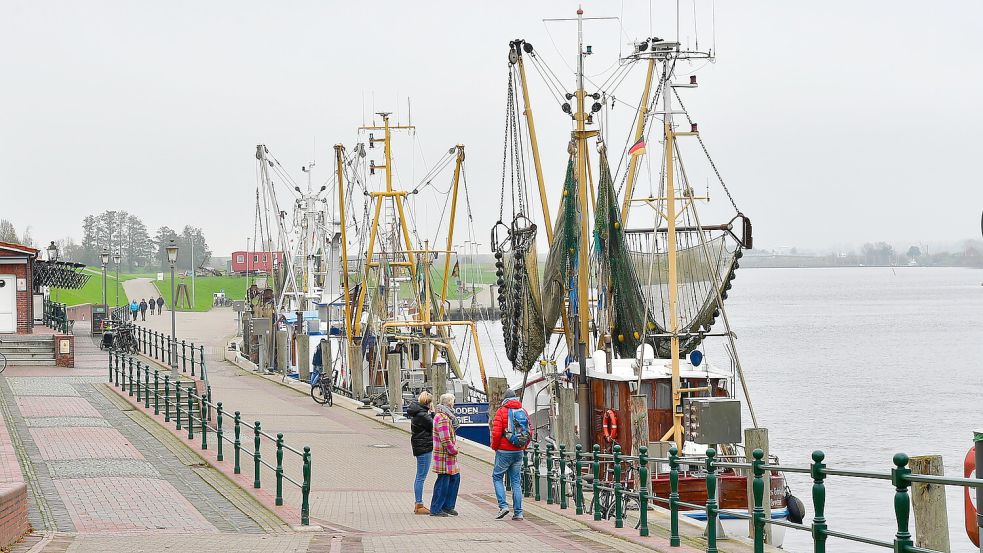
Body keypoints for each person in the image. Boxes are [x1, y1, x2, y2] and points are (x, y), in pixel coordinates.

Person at [490, 389, 532, 520]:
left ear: (505, 399)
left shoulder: (501, 411)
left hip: (503, 451)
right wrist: (523, 446)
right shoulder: (523, 411)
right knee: (516, 482)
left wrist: (495, 447)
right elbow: (530, 431)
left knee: (497, 477)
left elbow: (496, 433)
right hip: (518, 451)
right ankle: (518, 513)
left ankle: (503, 506)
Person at [429, 393, 460, 517]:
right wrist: (454, 450)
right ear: (449, 403)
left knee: (454, 478)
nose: (454, 404)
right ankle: (436, 508)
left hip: (446, 456)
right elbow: (445, 439)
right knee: (443, 481)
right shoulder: (442, 418)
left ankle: (448, 505)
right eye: (453, 401)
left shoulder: (444, 416)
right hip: (444, 456)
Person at [407, 391, 434, 515]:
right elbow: (434, 425)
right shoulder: (423, 415)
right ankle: (419, 504)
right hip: (424, 447)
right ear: (428, 403)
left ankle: (418, 503)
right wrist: (433, 412)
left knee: (420, 476)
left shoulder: (417, 413)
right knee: (421, 476)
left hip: (419, 446)